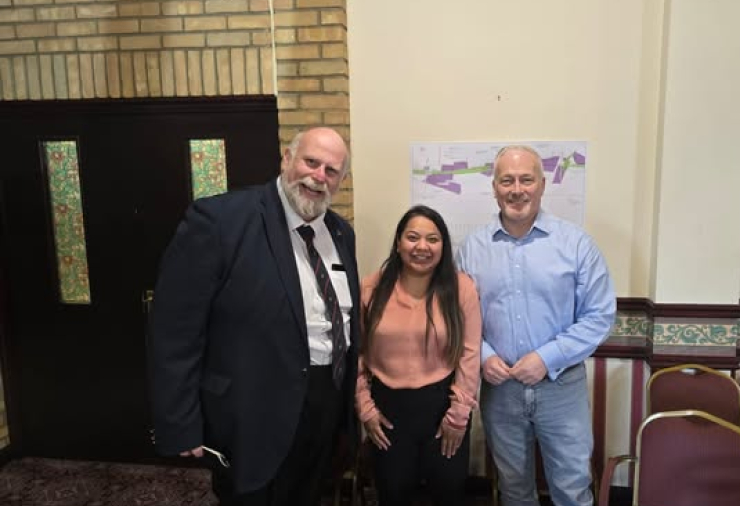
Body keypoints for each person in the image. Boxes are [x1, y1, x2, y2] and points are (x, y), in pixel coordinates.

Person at [148, 127, 360, 506]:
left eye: (332, 171)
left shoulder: (341, 233)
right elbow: (174, 330)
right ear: (287, 159)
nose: (319, 176)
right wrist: (179, 422)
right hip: (252, 411)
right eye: (311, 162)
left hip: (324, 408)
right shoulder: (220, 221)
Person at [456, 145, 616, 506]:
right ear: (494, 187)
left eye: (526, 179)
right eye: (507, 180)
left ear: (542, 185)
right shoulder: (472, 249)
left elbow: (599, 315)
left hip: (562, 388)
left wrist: (546, 357)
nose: (517, 190)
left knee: (572, 488)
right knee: (514, 490)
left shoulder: (576, 244)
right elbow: (459, 316)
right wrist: (483, 355)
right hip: (501, 390)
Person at [357, 205, 482, 506]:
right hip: (387, 411)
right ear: (399, 242)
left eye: (433, 239)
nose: (422, 247)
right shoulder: (372, 288)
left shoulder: (461, 287)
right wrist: (365, 407)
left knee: (447, 494)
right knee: (393, 494)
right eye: (413, 237)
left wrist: (459, 413)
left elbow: (470, 353)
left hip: (443, 409)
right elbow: (357, 353)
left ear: (443, 245)